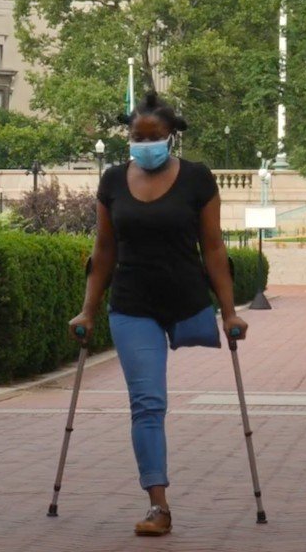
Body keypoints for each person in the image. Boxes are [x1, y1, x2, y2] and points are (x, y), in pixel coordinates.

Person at [68, 91, 248, 537]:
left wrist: (229, 313)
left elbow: (214, 247)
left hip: (188, 302)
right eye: (136, 136)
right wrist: (88, 309)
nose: (144, 143)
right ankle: (159, 505)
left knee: (155, 397)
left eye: (154, 136)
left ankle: (159, 502)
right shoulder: (111, 181)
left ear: (171, 137)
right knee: (148, 404)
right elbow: (103, 249)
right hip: (132, 304)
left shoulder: (197, 179)